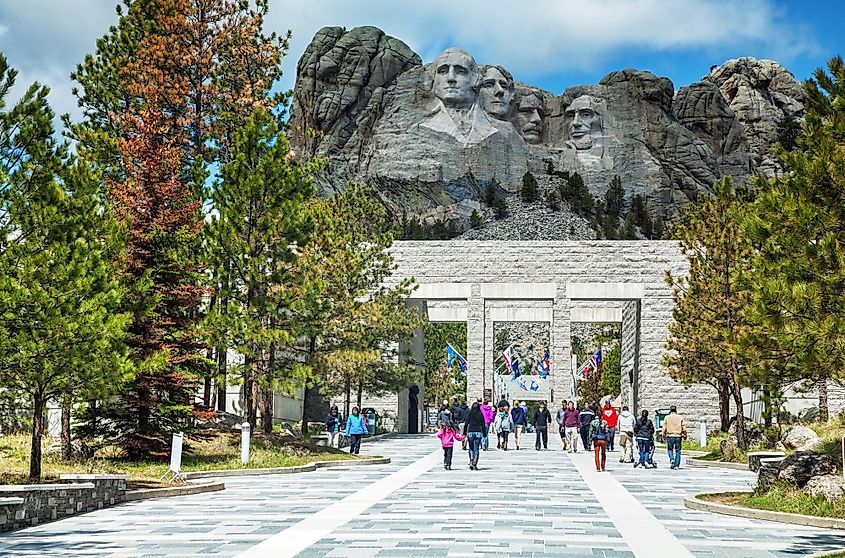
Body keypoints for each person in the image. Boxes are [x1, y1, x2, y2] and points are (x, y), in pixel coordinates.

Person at [662, 405, 687, 469]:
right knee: (678, 451)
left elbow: (664, 427)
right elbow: (683, 428)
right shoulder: (680, 417)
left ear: (670, 410)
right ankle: (676, 465)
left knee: (670, 449)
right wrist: (685, 435)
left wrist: (663, 435)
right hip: (678, 436)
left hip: (670, 435)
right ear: (676, 410)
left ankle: (672, 459)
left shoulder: (667, 417)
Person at [462, 402, 486, 470]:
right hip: (478, 432)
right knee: (476, 448)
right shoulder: (480, 414)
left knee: (471, 448)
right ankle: (475, 462)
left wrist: (464, 433)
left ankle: (471, 460)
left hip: (470, 432)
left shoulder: (470, 413)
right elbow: (483, 425)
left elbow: (466, 423)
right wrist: (484, 434)